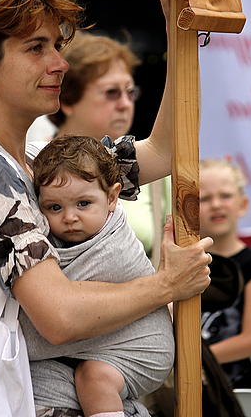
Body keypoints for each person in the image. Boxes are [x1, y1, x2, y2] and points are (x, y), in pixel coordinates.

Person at [0, 0, 213, 417]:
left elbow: (164, 148)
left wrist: (177, 27)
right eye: (36, 48)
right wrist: (167, 284)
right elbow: (57, 318)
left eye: (57, 46)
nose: (59, 63)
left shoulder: (38, 159)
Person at [33, 133, 174, 417]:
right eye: (54, 208)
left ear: (112, 198)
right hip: (100, 343)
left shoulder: (114, 247)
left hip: (141, 346)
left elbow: (58, 313)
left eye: (83, 204)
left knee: (93, 379)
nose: (70, 217)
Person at [47, 29, 171, 263]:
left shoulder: (157, 170)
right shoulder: (32, 162)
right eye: (111, 92)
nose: (125, 104)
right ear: (67, 100)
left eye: (130, 92)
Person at [200, 157, 251, 389]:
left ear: (243, 204)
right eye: (204, 198)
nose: (216, 204)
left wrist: (192, 360)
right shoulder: (187, 262)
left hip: (236, 389)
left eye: (226, 195)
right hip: (186, 388)